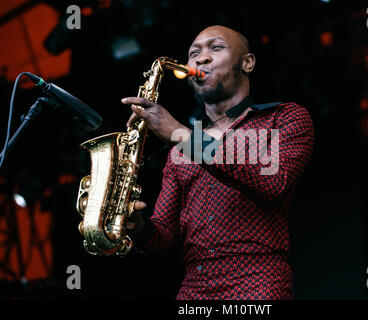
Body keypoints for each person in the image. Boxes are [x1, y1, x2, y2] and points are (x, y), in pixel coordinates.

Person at [120, 25, 314, 300]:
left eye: (216, 47)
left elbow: (273, 182)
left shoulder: (284, 118)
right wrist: (137, 226)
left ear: (247, 62)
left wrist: (181, 135)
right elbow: (164, 239)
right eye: (194, 53)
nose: (201, 58)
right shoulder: (180, 150)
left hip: (258, 279)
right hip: (193, 287)